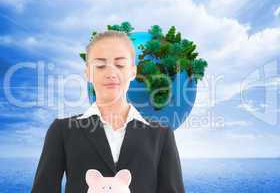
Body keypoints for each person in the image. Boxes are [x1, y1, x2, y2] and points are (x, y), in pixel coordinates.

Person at [31, 30, 185, 193]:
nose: (111, 73)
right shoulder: (62, 131)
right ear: (87, 73)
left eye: (119, 65)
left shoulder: (161, 134)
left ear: (133, 71)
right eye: (100, 65)